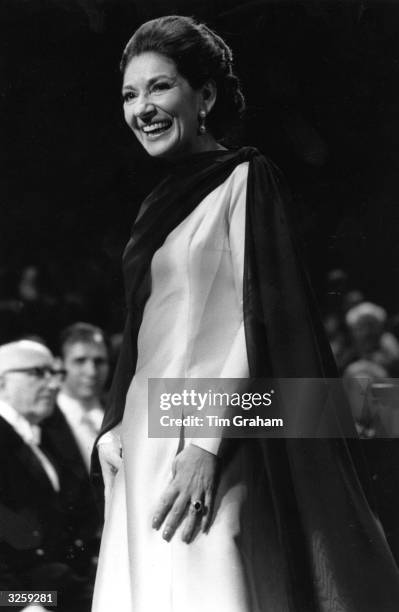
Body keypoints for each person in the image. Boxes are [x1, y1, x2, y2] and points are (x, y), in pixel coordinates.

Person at [92, 15, 399, 612]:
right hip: (143, 440)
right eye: (130, 94)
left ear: (204, 95)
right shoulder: (155, 204)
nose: (141, 108)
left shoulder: (244, 178)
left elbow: (254, 322)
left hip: (212, 434)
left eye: (160, 87)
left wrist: (206, 445)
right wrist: (112, 426)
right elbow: (141, 332)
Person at [0, 340, 96, 612]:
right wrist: (22, 606)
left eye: (55, 374)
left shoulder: (39, 439)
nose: (54, 385)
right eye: (38, 373)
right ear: (2, 382)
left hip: (57, 590)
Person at [56, 323, 109, 471]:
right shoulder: (44, 419)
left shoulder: (123, 411)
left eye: (99, 361)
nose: (92, 371)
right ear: (60, 365)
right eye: (80, 361)